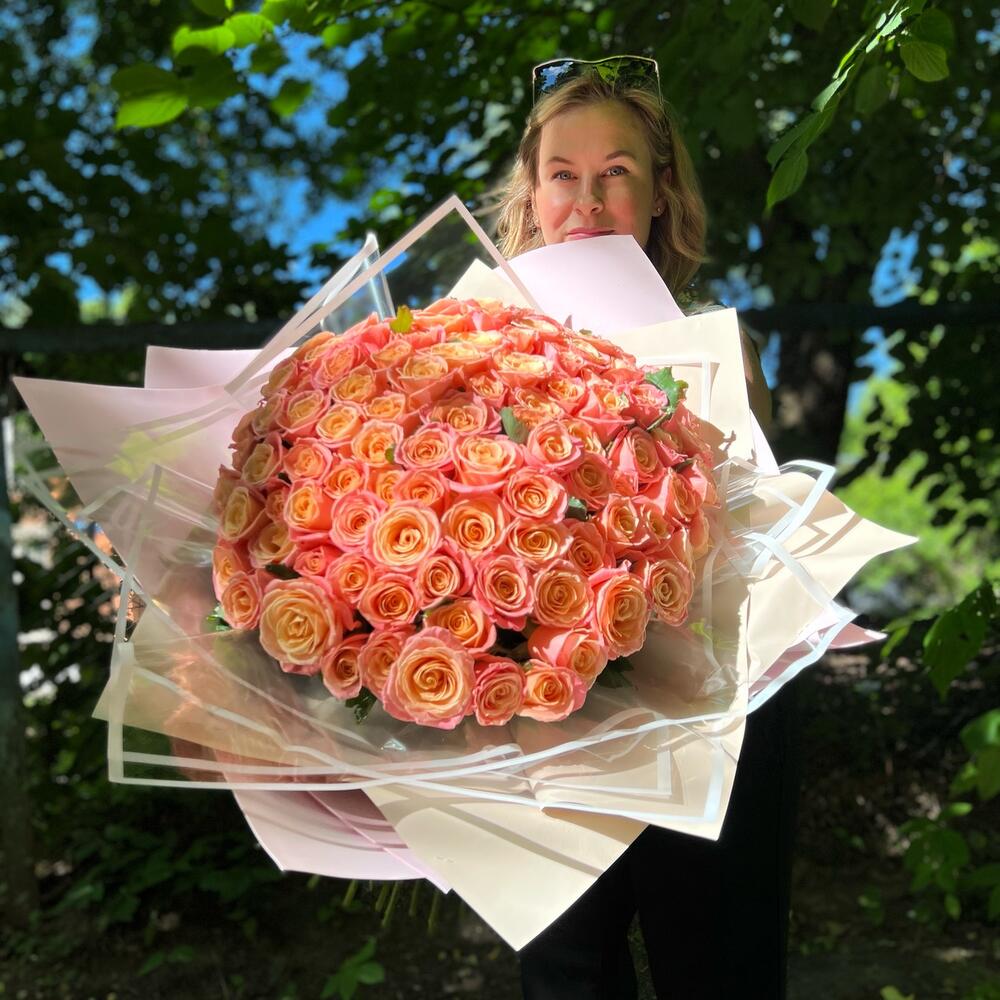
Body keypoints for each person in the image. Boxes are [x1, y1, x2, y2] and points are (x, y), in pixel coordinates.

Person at [495, 56, 799, 999]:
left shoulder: (717, 346)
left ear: (662, 194)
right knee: (565, 981)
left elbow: (748, 544)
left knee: (718, 973)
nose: (587, 200)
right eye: (563, 173)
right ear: (532, 192)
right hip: (541, 718)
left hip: (708, 717)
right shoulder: (472, 344)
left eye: (616, 172)